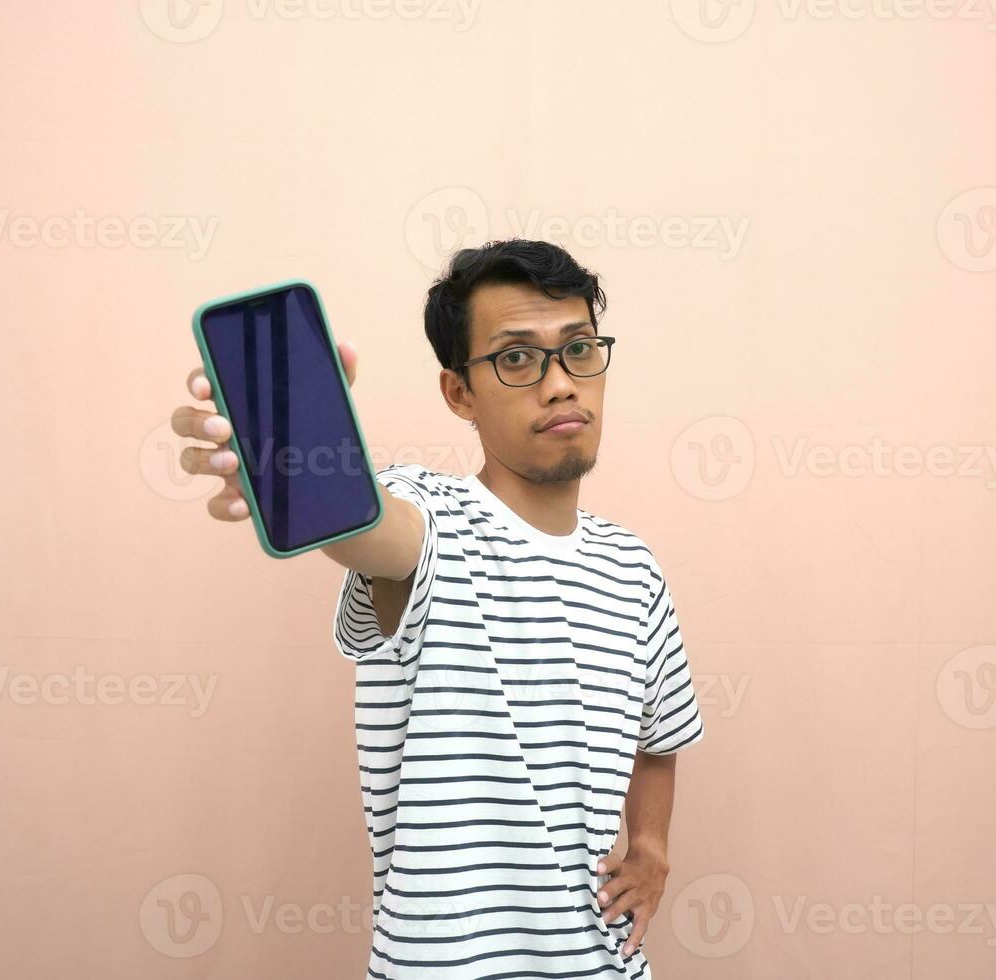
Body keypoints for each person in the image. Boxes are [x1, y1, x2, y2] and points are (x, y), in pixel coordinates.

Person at [172, 239, 705, 978]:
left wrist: (650, 849)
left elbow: (660, 734)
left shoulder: (634, 568)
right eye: (516, 358)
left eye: (578, 349)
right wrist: (300, 461)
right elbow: (369, 529)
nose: (559, 385)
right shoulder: (434, 517)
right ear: (459, 393)